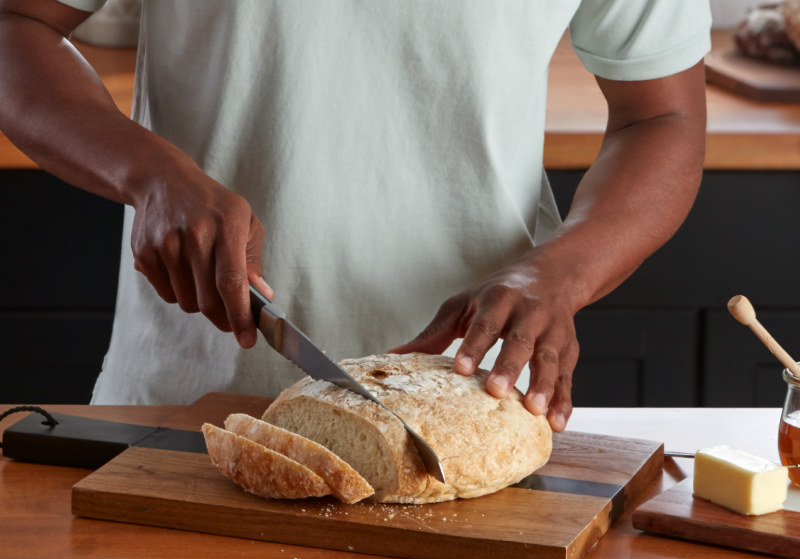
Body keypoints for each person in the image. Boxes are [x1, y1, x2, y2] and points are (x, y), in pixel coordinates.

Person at [0, 0, 711, 432]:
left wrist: (560, 272)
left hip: (466, 416)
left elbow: (663, 116)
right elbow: (16, 24)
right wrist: (150, 173)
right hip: (192, 412)